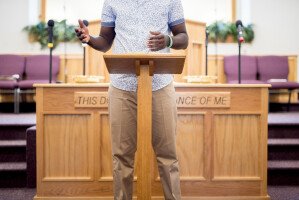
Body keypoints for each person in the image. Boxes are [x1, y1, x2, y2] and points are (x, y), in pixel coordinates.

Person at [75, 0, 188, 199]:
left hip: (160, 84)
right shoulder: (112, 1)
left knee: (167, 155)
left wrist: (168, 41)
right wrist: (89, 39)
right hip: (122, 86)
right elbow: (105, 41)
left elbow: (184, 38)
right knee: (121, 156)